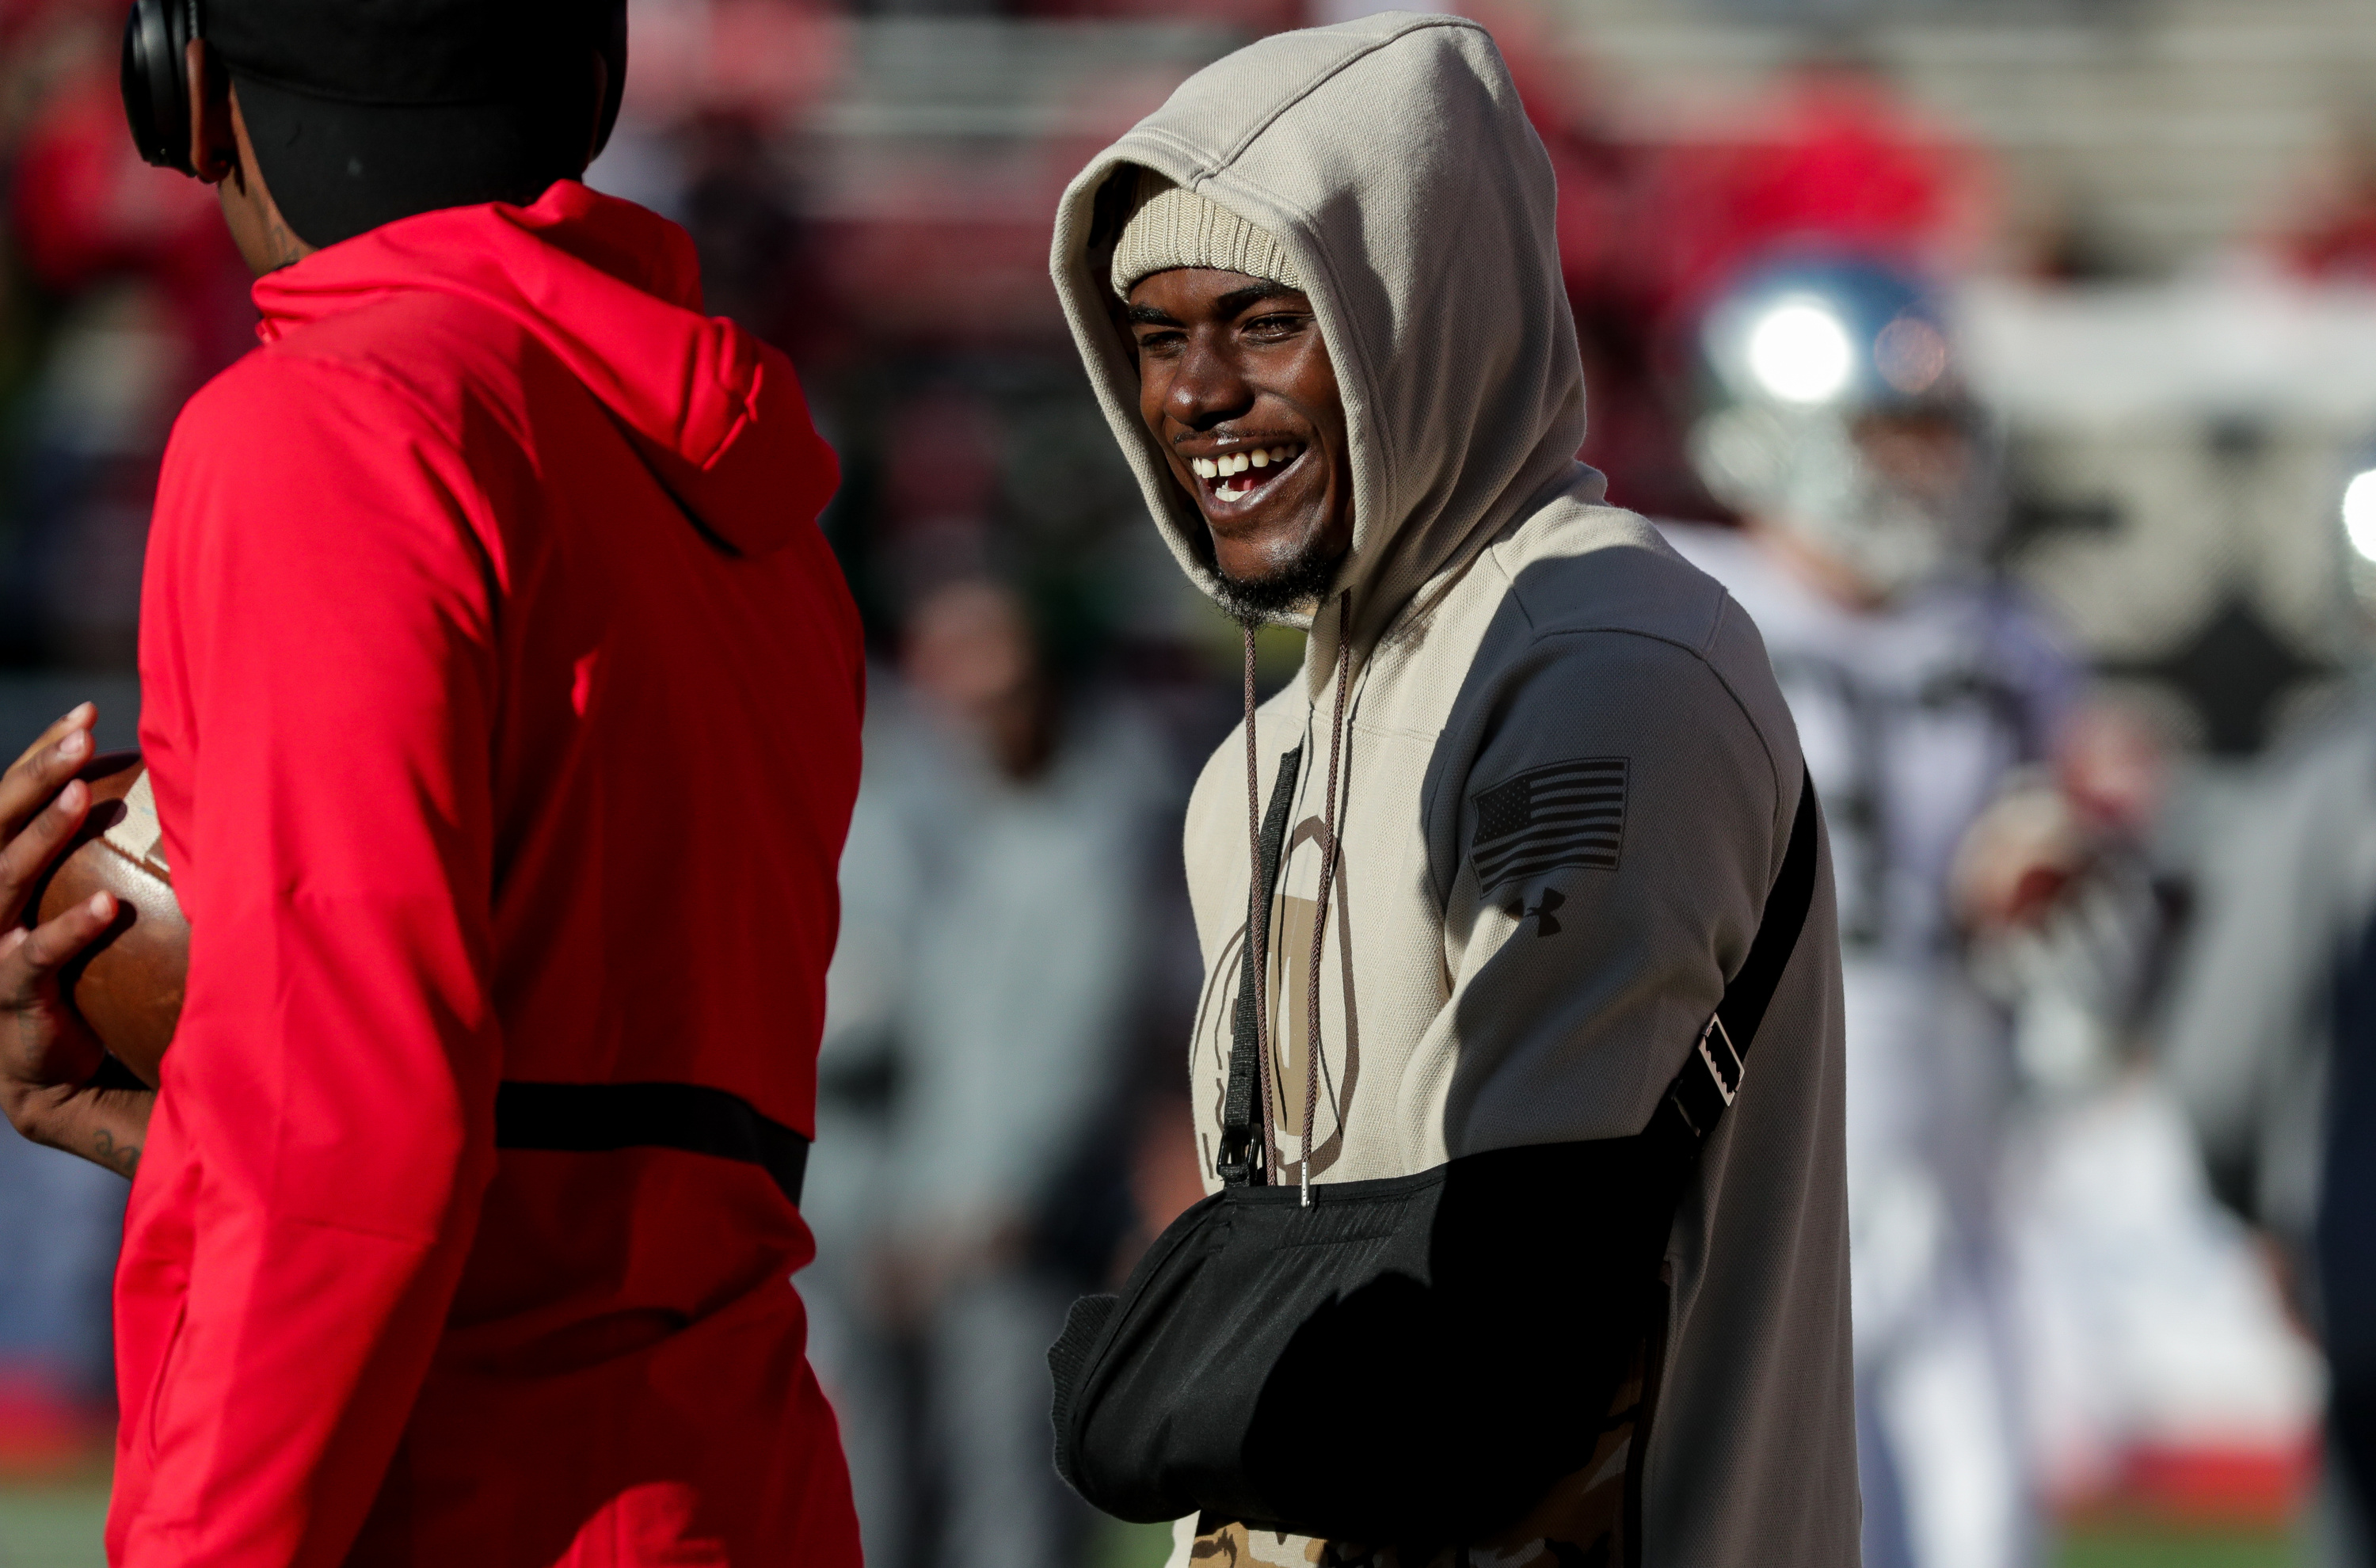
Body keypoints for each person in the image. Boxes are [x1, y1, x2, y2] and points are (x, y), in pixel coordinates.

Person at [0, 1, 864, 1562]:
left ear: (185, 80)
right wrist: (184, 1101)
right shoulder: (754, 513)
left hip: (467, 1494)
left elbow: (341, 1131)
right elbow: (587, 1116)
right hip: (740, 1479)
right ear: (593, 81)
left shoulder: (323, 426)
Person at [1046, 14, 1855, 1566]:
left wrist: (1135, 1389)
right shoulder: (1264, 756)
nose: (1199, 394)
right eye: (1157, 337)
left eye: (1266, 321)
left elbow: (1508, 1346)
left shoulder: (1607, 665)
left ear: (1420, 318)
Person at [1665, 257, 2073, 1568]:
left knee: (1982, 1526)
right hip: (1745, 1164)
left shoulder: (2002, 641)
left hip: (1948, 1160)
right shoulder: (1679, 610)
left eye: (1935, 437)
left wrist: (2067, 864)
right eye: (1889, 436)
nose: (1923, 471)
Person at [806, 576, 1167, 1568]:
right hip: (918, 1226)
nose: (969, 718)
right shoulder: (961, 828)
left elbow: (1078, 1051)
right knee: (900, 1491)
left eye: (994, 691)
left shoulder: (1092, 841)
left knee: (1012, 1505)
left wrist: (992, 1202)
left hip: (1017, 1237)